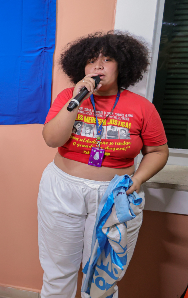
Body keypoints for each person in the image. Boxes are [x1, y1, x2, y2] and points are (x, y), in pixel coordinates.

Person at [38, 31, 169, 298]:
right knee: (58, 270)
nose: (98, 66)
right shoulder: (69, 98)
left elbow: (157, 151)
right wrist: (78, 99)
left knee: (103, 273)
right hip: (62, 189)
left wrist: (139, 178)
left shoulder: (142, 107)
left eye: (107, 59)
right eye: (91, 60)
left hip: (114, 194)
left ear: (122, 65)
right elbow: (52, 139)